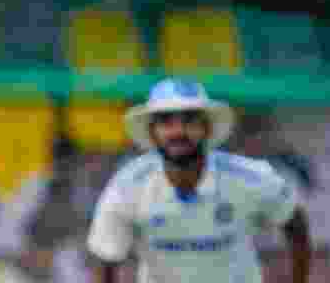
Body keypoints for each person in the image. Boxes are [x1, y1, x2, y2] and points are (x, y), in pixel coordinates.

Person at [86, 78, 311, 283]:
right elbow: (106, 259)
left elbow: (296, 225)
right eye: (166, 121)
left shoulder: (251, 178)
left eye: (189, 120)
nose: (178, 131)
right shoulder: (127, 187)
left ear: (207, 128)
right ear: (152, 132)